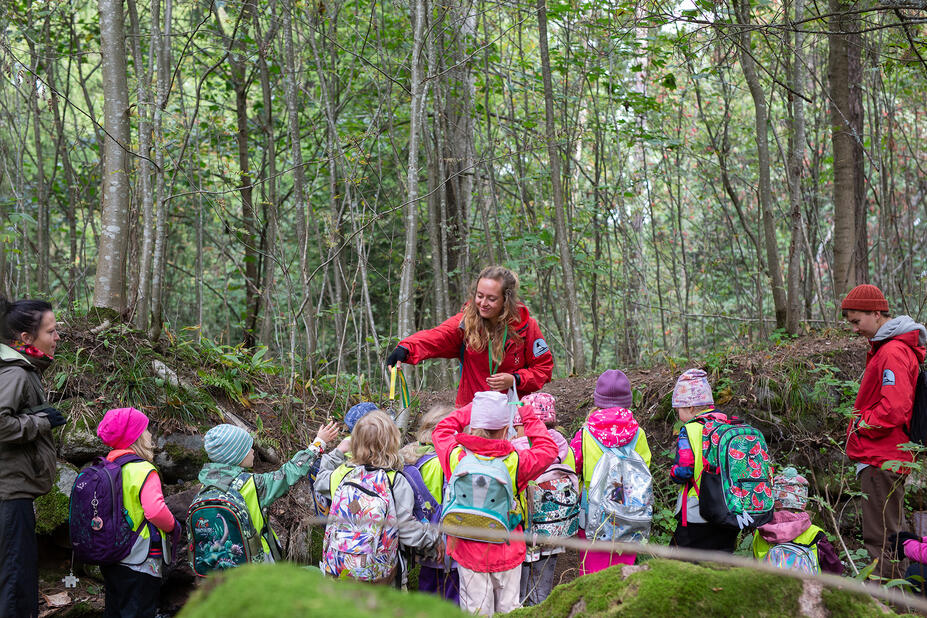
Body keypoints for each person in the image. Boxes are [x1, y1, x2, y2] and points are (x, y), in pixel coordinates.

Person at [432, 391, 558, 616]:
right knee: (509, 609)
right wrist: (526, 414)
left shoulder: (456, 458)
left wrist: (473, 408)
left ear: (472, 427)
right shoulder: (516, 461)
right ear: (505, 429)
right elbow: (549, 449)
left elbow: (440, 430)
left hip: (468, 548)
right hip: (508, 547)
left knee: (475, 610)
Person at [842, 284, 926, 579]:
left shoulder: (892, 352)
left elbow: (894, 408)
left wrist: (861, 424)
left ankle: (891, 607)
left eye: (856, 321)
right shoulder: (889, 349)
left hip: (882, 457)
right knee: (892, 538)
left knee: (881, 543)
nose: (854, 329)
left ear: (876, 313)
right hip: (886, 456)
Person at [386, 266, 553, 407]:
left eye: (492, 298)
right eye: (480, 296)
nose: (483, 303)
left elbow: (543, 368)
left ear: (506, 299)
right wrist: (406, 348)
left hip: (513, 414)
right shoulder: (466, 323)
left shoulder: (526, 326)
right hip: (472, 412)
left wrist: (516, 379)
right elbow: (436, 337)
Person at [316, 410, 442, 585]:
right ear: (392, 442)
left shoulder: (344, 474)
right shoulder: (396, 481)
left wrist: (337, 453)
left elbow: (320, 481)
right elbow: (408, 531)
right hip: (382, 577)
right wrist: (437, 538)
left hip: (340, 569)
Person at [194, 420, 339, 566]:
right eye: (248, 449)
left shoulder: (205, 487)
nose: (252, 451)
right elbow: (288, 473)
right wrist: (318, 444)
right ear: (235, 456)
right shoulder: (252, 485)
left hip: (221, 567)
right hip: (257, 562)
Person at [0, 298, 63, 618]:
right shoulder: (16, 374)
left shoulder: (23, 371)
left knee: (18, 577)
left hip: (14, 490)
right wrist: (41, 422)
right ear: (26, 338)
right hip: (10, 493)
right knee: (15, 581)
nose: (56, 337)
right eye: (51, 331)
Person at [96, 407, 179, 618]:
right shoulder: (142, 469)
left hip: (111, 555)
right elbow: (155, 511)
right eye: (146, 430)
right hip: (140, 558)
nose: (150, 434)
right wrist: (174, 527)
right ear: (136, 437)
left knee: (114, 610)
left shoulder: (105, 468)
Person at [570, 370, 651, 574]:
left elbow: (573, 466)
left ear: (598, 400)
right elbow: (644, 468)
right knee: (623, 571)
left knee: (592, 571)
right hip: (630, 510)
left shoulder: (585, 433)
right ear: (628, 401)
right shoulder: (638, 434)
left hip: (593, 511)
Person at [511, 392, 575, 606]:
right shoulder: (566, 449)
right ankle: (542, 607)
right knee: (543, 584)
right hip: (554, 530)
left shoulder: (516, 450)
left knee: (519, 588)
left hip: (524, 532)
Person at [668, 369, 740, 552]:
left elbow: (684, 470)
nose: (678, 415)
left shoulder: (690, 430)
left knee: (678, 568)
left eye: (679, 410)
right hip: (732, 512)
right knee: (719, 568)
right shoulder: (729, 426)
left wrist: (673, 473)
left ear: (691, 408)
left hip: (698, 512)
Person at [399, 404, 458, 602]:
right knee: (452, 598)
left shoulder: (411, 456)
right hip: (448, 543)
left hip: (421, 539)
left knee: (427, 593)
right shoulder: (446, 460)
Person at [751, 467, 843, 574]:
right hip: (805, 588)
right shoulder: (815, 533)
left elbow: (755, 567)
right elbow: (834, 570)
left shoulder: (761, 531)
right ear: (803, 502)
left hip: (770, 587)